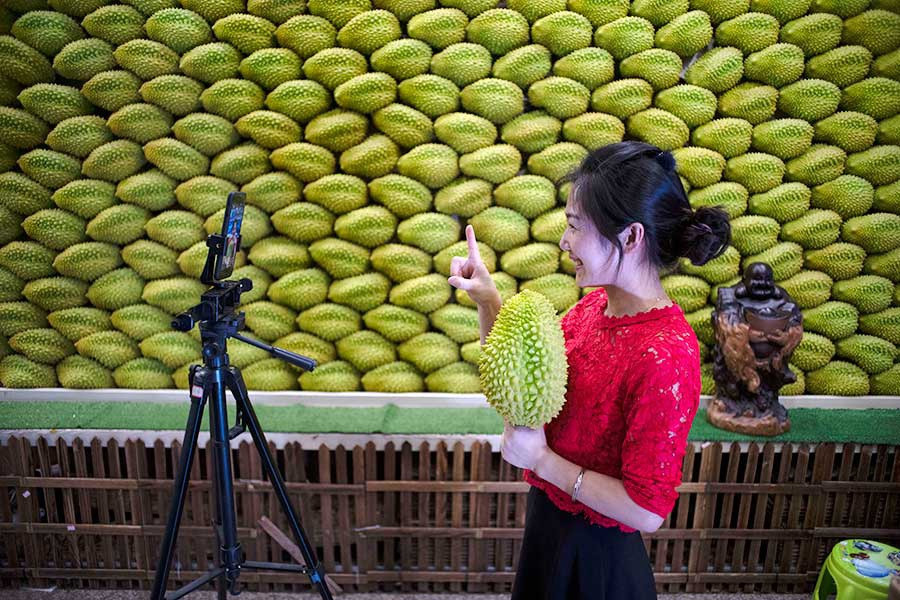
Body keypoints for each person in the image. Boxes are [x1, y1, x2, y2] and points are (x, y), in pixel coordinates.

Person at [448, 141, 732, 599]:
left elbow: (646, 510)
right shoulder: (594, 308)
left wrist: (541, 460)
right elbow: (521, 384)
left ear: (632, 237)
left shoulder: (667, 354)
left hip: (597, 564)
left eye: (575, 227)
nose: (564, 242)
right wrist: (487, 301)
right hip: (547, 527)